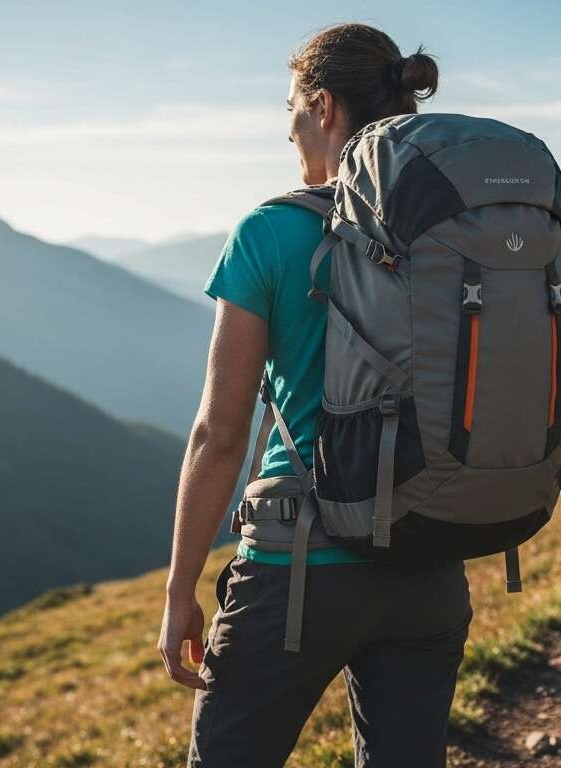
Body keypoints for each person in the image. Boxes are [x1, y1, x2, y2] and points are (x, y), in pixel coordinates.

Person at [157, 22, 472, 768]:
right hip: (429, 564)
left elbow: (220, 434)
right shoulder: (451, 231)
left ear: (324, 107)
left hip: (299, 573)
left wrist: (180, 590)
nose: (288, 129)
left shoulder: (269, 233)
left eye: (291, 109)